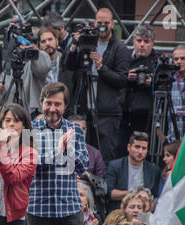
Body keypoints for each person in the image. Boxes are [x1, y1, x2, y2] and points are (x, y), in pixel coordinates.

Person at [27, 82, 89, 225]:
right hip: (39, 207)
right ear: (42, 103)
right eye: (48, 103)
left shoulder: (76, 131)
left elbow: (83, 166)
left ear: (65, 106)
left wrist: (68, 150)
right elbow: (31, 164)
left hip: (69, 207)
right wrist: (57, 150)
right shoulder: (31, 130)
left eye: (57, 104)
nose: (52, 108)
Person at [65, 8, 130, 163]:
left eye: (106, 23)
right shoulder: (87, 41)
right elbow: (69, 66)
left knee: (105, 156)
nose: (102, 27)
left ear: (113, 24)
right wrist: (74, 44)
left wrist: (101, 68)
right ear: (94, 23)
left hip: (107, 112)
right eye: (99, 23)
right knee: (83, 153)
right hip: (85, 107)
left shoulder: (119, 48)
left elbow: (122, 79)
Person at [0, 35, 51, 119]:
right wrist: (1, 90)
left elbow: (44, 68)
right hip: (11, 116)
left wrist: (34, 51)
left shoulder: (35, 63)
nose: (25, 48)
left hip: (32, 115)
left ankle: (27, 132)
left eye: (28, 44)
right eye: (22, 45)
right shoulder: (10, 67)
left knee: (27, 132)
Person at [122, 25, 159, 149]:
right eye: (139, 41)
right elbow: (114, 76)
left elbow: (167, 82)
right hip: (124, 110)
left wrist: (153, 82)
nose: (142, 45)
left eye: (146, 41)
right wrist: (126, 76)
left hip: (147, 112)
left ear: (152, 43)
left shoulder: (158, 61)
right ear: (133, 42)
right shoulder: (123, 57)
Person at [106, 131, 161, 212]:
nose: (140, 152)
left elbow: (156, 196)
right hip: (120, 211)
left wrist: (149, 210)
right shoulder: (115, 166)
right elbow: (110, 193)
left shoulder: (154, 170)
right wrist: (134, 193)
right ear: (129, 147)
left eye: (144, 148)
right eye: (137, 147)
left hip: (144, 213)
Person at [69, 114, 106, 178]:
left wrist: (87, 179)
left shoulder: (95, 153)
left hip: (86, 186)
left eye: (83, 129)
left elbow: (102, 181)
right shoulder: (57, 150)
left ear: (86, 130)